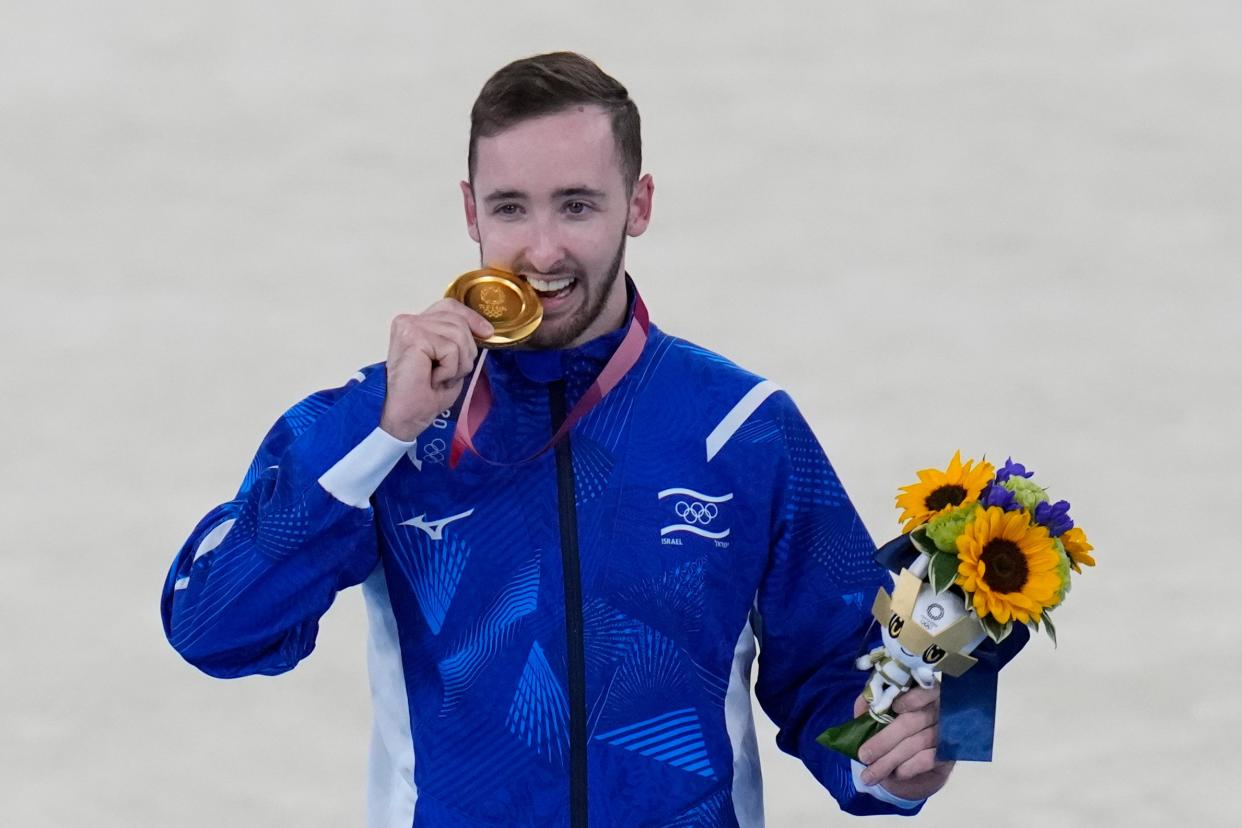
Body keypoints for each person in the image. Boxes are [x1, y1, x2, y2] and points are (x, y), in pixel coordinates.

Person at [162, 51, 953, 827]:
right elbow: (213, 628)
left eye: (576, 205)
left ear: (638, 205)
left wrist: (895, 760)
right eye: (511, 208)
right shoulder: (385, 425)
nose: (541, 252)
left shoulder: (739, 426)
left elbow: (833, 668)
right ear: (470, 210)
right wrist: (383, 435)